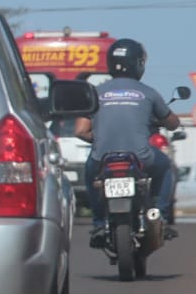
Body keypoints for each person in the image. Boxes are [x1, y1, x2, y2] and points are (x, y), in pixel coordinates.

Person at [76, 38, 181, 247]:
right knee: (166, 168)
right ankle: (159, 214)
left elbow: (80, 130)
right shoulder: (148, 93)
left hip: (102, 159)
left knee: (89, 173)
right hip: (140, 158)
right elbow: (173, 122)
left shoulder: (96, 92)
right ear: (139, 64)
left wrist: (99, 138)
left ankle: (98, 223)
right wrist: (161, 120)